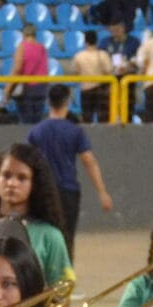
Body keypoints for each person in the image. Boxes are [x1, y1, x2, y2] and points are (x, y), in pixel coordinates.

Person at [0, 142, 73, 292]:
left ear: (35, 184)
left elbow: (62, 298)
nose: (12, 183)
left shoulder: (49, 236)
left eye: (22, 178)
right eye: (6, 175)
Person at [26, 85, 112, 251]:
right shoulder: (75, 131)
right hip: (67, 191)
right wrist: (102, 191)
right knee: (66, 238)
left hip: (42, 190)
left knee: (40, 236)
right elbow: (89, 161)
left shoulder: (36, 131)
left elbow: (26, 161)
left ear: (49, 103)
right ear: (66, 102)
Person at [65, 31, 113, 124]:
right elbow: (109, 71)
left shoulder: (79, 56)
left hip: (86, 90)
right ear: (96, 41)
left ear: (85, 41)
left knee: (87, 117)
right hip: (101, 90)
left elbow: (75, 72)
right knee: (103, 118)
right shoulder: (103, 55)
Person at [7, 26, 51, 123]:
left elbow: (17, 70)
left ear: (23, 35)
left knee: (26, 122)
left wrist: (8, 90)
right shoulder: (42, 48)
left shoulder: (22, 47)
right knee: (37, 120)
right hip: (41, 88)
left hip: (27, 88)